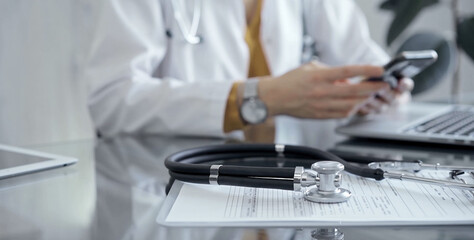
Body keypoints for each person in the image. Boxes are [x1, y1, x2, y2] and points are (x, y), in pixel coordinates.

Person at [85, 0, 413, 139]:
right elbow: (111, 100)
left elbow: (363, 58)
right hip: (169, 182)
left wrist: (382, 91)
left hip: (288, 175)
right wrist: (257, 97)